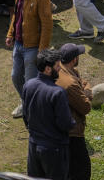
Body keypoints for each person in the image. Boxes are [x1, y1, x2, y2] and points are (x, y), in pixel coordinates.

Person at [7, 0, 53, 118]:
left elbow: (47, 26)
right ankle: (26, 101)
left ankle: (33, 110)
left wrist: (42, 51)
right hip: (19, 43)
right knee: (15, 76)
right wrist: (10, 33)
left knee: (31, 82)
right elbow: (17, 14)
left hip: (32, 48)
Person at [22, 48, 75, 180]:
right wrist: (73, 122)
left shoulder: (28, 85)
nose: (60, 69)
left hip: (33, 146)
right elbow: (65, 123)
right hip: (54, 149)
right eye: (57, 66)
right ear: (47, 69)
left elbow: (25, 115)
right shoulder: (58, 92)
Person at [57, 42, 93, 180]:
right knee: (81, 170)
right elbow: (85, 107)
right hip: (72, 133)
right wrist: (87, 93)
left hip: (64, 129)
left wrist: (84, 89)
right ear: (74, 59)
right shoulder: (69, 83)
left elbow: (83, 82)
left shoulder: (65, 70)